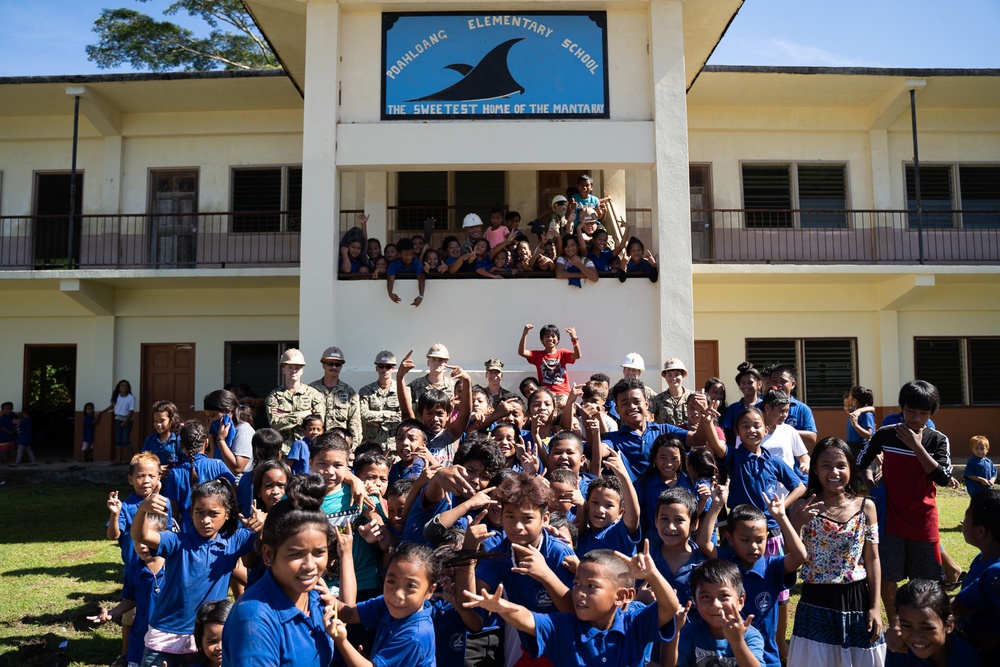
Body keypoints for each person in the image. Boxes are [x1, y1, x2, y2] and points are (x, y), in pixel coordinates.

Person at [464, 544, 681, 667]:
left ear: (622, 596)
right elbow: (527, 618)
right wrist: (502, 607)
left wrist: (652, 574)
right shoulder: (564, 625)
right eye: (576, 584)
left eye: (591, 586)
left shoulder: (634, 624)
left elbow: (670, 607)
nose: (579, 593)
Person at [858, 380, 958, 629]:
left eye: (923, 413)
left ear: (931, 414)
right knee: (888, 577)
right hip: (890, 518)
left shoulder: (937, 440)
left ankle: (925, 625)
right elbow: (861, 461)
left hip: (923, 520)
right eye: (910, 411)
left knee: (927, 581)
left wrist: (916, 445)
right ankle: (895, 625)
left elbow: (943, 478)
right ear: (901, 408)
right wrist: (873, 489)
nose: (916, 418)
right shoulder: (886, 433)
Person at [131, 477, 260, 666]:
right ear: (191, 513)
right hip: (165, 636)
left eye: (213, 513)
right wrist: (143, 510)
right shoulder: (177, 541)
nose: (205, 520)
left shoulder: (234, 541)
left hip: (205, 638)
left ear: (227, 514)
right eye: (199, 512)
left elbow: (274, 539)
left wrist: (264, 523)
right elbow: (140, 535)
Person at [458, 473, 576, 666]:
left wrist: (546, 576)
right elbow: (473, 611)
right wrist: (468, 551)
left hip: (565, 653)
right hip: (530, 653)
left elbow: (574, 613)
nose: (517, 526)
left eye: (527, 518)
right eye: (510, 516)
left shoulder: (558, 553)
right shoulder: (499, 555)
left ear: (545, 518)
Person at [222, 474, 338, 667]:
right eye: (296, 554)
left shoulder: (315, 598)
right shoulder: (254, 620)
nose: (310, 565)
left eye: (319, 553)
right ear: (268, 554)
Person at [787, 437, 885, 666]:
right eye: (826, 466)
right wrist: (796, 524)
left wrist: (875, 607)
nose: (834, 472)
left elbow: (872, 558)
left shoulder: (866, 507)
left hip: (856, 599)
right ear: (815, 470)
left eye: (841, 465)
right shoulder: (802, 508)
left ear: (851, 467)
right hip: (815, 600)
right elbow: (789, 559)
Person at [697, 493, 809, 667]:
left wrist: (781, 517)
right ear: (730, 538)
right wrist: (717, 505)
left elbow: (800, 555)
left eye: (760, 540)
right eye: (745, 540)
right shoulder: (727, 564)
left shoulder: (773, 567)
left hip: (767, 657)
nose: (754, 547)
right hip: (728, 657)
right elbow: (704, 542)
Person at [327, 541, 438, 667]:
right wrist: (327, 598)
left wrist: (341, 641)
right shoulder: (386, 604)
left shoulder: (415, 636)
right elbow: (350, 613)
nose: (398, 594)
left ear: (429, 591)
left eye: (410, 586)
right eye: (391, 581)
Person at [89, 513, 170, 667]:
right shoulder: (134, 570)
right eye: (138, 540)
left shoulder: (176, 565)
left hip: (169, 636)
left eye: (147, 539)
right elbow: (131, 599)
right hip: (141, 635)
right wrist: (112, 613)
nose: (142, 545)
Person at [664, 559, 766, 667]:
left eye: (723, 596)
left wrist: (737, 642)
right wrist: (675, 631)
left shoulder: (749, 635)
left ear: (740, 601)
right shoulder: (690, 632)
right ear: (696, 603)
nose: (715, 604)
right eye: (705, 597)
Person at [598, 378, 700, 482]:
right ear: (617, 410)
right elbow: (599, 451)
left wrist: (706, 418)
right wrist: (592, 428)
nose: (632, 407)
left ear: (646, 404)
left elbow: (698, 439)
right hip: (628, 497)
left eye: (636, 401)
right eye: (625, 404)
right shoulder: (613, 438)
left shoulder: (664, 430)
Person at [162, 421, 236, 534]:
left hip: (187, 532)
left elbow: (173, 512)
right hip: (216, 528)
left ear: (181, 446)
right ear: (206, 443)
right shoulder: (217, 465)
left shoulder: (175, 473)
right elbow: (234, 493)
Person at [953, 487, 1000, 656]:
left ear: (980, 531)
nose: (963, 521)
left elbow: (959, 606)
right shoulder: (981, 559)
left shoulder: (995, 573)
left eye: (966, 515)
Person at [107, 452, 175, 567]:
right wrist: (115, 514)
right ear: (130, 479)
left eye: (151, 476)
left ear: (159, 478)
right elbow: (113, 535)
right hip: (133, 565)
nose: (146, 480)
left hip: (159, 566)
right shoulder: (124, 506)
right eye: (140, 476)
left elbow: (167, 534)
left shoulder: (163, 503)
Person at [575, 449, 641, 558]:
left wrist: (624, 477)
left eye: (609, 505)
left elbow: (633, 516)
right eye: (595, 502)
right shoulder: (582, 534)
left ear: (620, 513)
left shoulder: (618, 533)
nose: (600, 509)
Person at [650, 487, 707, 608]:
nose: (671, 527)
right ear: (656, 521)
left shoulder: (704, 565)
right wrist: (640, 599)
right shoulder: (646, 560)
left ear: (694, 524)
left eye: (679, 520)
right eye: (664, 519)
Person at [266, 348, 325, 447]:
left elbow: (318, 422)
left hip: (308, 449)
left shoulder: (314, 395)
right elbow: (275, 424)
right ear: (283, 369)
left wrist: (286, 415)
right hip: (283, 451)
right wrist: (303, 414)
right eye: (290, 367)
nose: (293, 371)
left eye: (297, 368)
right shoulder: (274, 396)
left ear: (302, 371)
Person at [637, 435, 693, 535]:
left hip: (682, 537)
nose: (668, 464)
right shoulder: (645, 482)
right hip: (654, 538)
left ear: (681, 459)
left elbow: (695, 512)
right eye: (663, 458)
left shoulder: (689, 481)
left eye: (674, 459)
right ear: (655, 458)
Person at [309, 346, 362, 443]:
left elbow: (355, 423)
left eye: (337, 364)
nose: (334, 367)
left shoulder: (349, 392)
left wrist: (353, 447)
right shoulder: (311, 390)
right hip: (315, 445)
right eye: (330, 364)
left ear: (341, 367)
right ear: (323, 365)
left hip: (339, 445)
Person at [204, 389, 253, 483]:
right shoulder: (221, 431)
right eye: (208, 417)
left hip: (238, 486)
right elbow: (214, 459)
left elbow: (237, 468)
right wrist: (211, 435)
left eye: (213, 416)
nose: (211, 420)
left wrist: (221, 440)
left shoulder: (243, 430)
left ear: (228, 412)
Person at [518, 323, 581, 396]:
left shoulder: (562, 353)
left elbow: (577, 355)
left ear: (558, 340)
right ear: (542, 340)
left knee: (563, 403)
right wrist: (525, 334)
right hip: (546, 394)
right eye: (547, 336)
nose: (550, 338)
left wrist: (574, 338)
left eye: (553, 336)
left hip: (563, 393)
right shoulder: (538, 355)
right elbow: (522, 352)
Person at [359, 351, 402, 452]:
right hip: (372, 445)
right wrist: (390, 414)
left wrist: (376, 422)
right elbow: (364, 414)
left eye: (388, 366)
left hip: (394, 446)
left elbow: (401, 416)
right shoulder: (366, 391)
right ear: (376, 368)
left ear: (393, 369)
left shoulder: (402, 390)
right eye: (381, 366)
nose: (384, 370)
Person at [768, 364, 818, 449]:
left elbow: (812, 437)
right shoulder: (761, 407)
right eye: (774, 381)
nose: (778, 384)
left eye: (783, 381)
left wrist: (783, 431)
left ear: (793, 384)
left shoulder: (802, 409)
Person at [721, 362, 765, 444]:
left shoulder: (765, 406)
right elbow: (725, 431)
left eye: (750, 382)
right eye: (743, 383)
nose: (746, 386)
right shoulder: (733, 409)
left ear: (759, 384)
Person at [650, 358, 693, 426]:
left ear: (682, 376)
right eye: (670, 375)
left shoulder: (692, 397)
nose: (673, 378)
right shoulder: (657, 400)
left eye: (677, 375)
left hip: (689, 435)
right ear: (665, 377)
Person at [142, 401, 182, 470]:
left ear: (171, 420)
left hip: (173, 479)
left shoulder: (178, 440)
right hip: (155, 479)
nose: (158, 424)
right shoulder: (150, 440)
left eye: (162, 420)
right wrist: (157, 469)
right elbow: (143, 461)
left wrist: (173, 471)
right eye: (155, 421)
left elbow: (185, 461)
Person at [386, 238, 426, 306]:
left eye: (411, 254)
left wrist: (421, 296)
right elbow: (390, 279)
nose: (409, 257)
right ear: (399, 254)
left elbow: (421, 278)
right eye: (406, 255)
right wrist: (390, 293)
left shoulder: (417, 263)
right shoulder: (394, 265)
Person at [846, 385, 877, 459]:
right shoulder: (855, 413)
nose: (848, 397)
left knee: (864, 469)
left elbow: (869, 435)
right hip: (851, 447)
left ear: (855, 400)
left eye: (850, 395)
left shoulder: (866, 415)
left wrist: (856, 425)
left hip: (861, 447)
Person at [110, 380, 137, 465]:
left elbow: (131, 411)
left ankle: (133, 460)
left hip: (127, 420)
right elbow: (113, 406)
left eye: (126, 385)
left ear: (128, 387)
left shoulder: (131, 398)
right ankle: (118, 460)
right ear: (119, 387)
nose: (124, 387)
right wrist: (102, 412)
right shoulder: (117, 396)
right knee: (118, 440)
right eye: (122, 385)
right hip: (118, 419)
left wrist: (125, 422)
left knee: (125, 440)